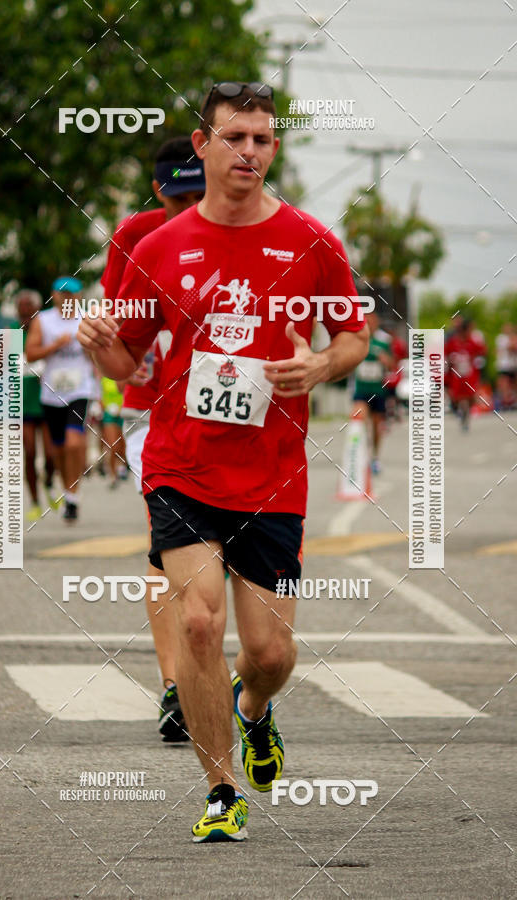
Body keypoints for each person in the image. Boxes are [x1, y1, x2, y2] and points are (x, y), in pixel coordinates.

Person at [78, 82, 368, 842]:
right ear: (202, 146)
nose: (249, 152)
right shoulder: (157, 249)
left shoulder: (312, 241)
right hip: (182, 465)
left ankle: (255, 709)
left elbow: (352, 338)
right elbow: (130, 368)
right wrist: (102, 344)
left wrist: (321, 369)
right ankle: (219, 790)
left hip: (273, 473)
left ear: (274, 149)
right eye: (235, 137)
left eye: (263, 140)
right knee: (200, 624)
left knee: (269, 652)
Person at [102, 136, 205, 742]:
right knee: (165, 547)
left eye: (201, 194)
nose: (190, 208)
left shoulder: (246, 224)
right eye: (179, 198)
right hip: (152, 412)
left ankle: (230, 673)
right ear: (157, 192)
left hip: (228, 421)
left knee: (230, 556)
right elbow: (121, 329)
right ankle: (175, 689)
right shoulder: (135, 236)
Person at [25, 277, 98, 522]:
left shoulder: (87, 319)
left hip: (79, 390)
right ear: (54, 296)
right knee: (56, 450)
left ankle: (73, 496)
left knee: (73, 443)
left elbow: (99, 354)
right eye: (63, 294)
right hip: (51, 392)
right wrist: (55, 345)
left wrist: (90, 349)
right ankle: (69, 491)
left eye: (72, 295)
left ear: (79, 297)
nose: (67, 299)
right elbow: (30, 353)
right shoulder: (43, 321)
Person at [13, 291, 59, 520]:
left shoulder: (45, 330)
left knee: (51, 454)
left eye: (28, 305)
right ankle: (33, 501)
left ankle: (49, 481)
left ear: (37, 308)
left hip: (47, 400)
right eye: (20, 305)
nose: (24, 309)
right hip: (23, 402)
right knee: (29, 451)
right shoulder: (11, 332)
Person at [351, 311, 395, 474]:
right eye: (366, 321)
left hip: (378, 390)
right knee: (360, 421)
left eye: (372, 321)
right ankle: (359, 455)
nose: (369, 324)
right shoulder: (357, 339)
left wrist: (386, 360)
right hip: (361, 389)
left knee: (377, 426)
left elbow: (392, 365)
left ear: (376, 322)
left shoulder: (384, 341)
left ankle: (375, 457)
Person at [445, 318, 487, 430]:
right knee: (457, 397)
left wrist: (475, 359)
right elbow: (446, 354)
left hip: (469, 373)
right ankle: (461, 411)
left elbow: (482, 351)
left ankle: (466, 412)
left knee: (471, 396)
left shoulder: (471, 341)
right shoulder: (453, 342)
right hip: (457, 374)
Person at [495, 322, 517, 411]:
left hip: (513, 364)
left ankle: (512, 400)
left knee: (513, 383)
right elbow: (511, 347)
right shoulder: (501, 338)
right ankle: (505, 402)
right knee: (505, 384)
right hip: (504, 365)